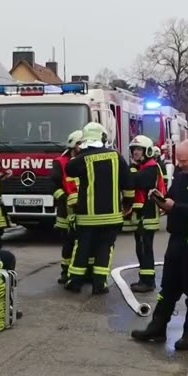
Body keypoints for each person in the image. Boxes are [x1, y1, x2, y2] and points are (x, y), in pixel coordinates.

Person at [131, 139, 188, 350]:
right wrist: (161, 200)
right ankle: (158, 326)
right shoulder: (181, 176)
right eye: (178, 160)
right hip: (176, 239)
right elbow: (171, 197)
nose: (180, 164)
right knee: (168, 285)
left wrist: (176, 207)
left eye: (184, 161)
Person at [64, 121, 133, 293]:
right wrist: (128, 204)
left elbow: (69, 169)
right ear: (103, 137)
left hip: (87, 216)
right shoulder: (116, 156)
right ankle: (99, 283)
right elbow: (128, 183)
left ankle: (75, 282)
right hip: (111, 216)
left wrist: (81, 152)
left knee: (82, 248)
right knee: (105, 248)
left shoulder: (81, 159)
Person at [128, 135, 165, 293]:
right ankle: (144, 278)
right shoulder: (142, 167)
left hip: (148, 214)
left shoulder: (151, 167)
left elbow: (137, 182)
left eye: (139, 149)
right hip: (143, 214)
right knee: (141, 246)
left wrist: (129, 173)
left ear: (147, 151)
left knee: (145, 247)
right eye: (134, 149)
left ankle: (148, 282)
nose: (136, 152)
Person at [51, 130, 84, 284]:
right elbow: (53, 185)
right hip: (65, 210)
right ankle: (65, 271)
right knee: (68, 241)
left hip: (84, 208)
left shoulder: (85, 160)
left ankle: (82, 272)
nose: (81, 146)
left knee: (83, 241)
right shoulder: (60, 162)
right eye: (78, 143)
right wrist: (63, 198)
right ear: (72, 144)